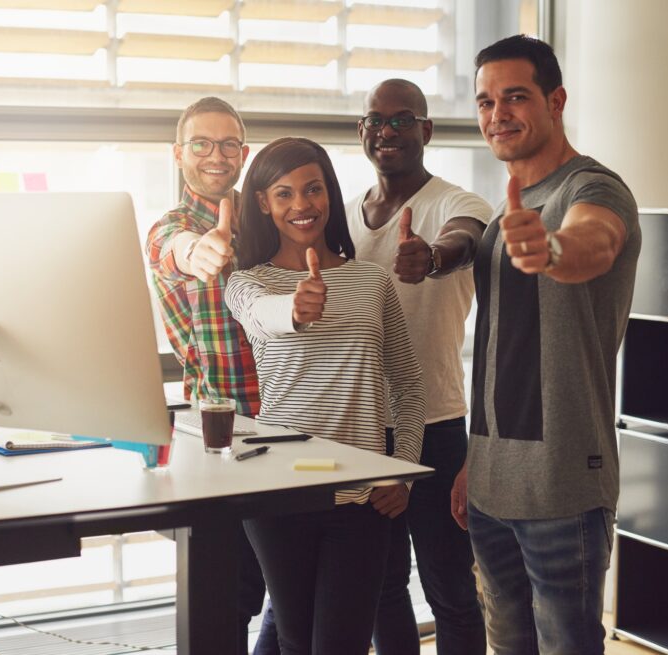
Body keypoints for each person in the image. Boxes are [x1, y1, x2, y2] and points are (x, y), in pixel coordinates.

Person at [451, 35, 641, 654]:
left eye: (515, 97)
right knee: (506, 646)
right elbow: (501, 352)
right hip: (491, 483)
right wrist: (475, 461)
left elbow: (597, 241)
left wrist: (552, 250)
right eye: (484, 101)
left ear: (555, 100)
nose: (496, 114)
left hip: (563, 485)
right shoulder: (509, 209)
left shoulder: (589, 189)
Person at [225, 137, 425, 655]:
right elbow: (265, 316)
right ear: (264, 203)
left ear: (329, 195)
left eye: (312, 189)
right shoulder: (247, 284)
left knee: (343, 645)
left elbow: (407, 385)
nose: (301, 205)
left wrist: (400, 471)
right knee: (294, 639)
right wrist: (295, 308)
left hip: (360, 495)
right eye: (284, 193)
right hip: (278, 491)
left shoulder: (370, 282)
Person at [346, 79, 490, 655]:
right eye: (375, 121)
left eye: (403, 120)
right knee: (381, 588)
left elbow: (468, 239)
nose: (387, 131)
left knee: (451, 590)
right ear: (361, 132)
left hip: (435, 428)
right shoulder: (342, 220)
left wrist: (431, 257)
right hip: (361, 430)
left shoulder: (456, 202)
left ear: (427, 130)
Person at [144, 96, 269, 654]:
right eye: (201, 143)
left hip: (295, 427)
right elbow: (171, 249)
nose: (216, 156)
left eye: (228, 144)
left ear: (244, 153)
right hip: (223, 438)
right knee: (228, 600)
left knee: (289, 595)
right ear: (179, 153)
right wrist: (198, 251)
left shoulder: (268, 214)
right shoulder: (172, 226)